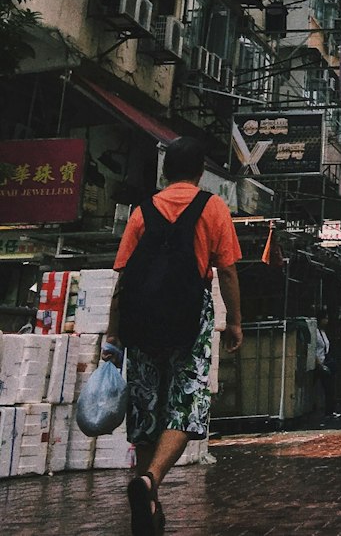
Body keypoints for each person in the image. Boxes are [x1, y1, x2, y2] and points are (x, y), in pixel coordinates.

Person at [104, 137, 242, 536]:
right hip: (189, 319)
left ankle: (150, 501)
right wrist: (235, 322)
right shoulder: (212, 207)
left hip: (142, 320)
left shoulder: (141, 212)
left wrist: (114, 336)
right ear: (201, 172)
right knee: (186, 403)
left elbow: (124, 278)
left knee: (147, 405)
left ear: (165, 172)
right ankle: (150, 482)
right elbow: (228, 272)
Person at [315, 312, 340, 424]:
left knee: (330, 387)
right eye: (325, 318)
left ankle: (329, 410)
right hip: (319, 362)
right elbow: (313, 349)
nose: (327, 321)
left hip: (326, 360)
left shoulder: (323, 332)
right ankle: (326, 411)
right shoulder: (315, 333)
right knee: (326, 387)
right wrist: (318, 363)